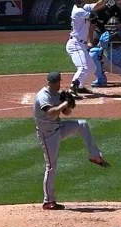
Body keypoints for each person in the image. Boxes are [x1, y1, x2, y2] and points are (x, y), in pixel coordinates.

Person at [33, 71, 110, 211]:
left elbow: (66, 113)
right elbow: (51, 112)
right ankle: (48, 201)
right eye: (59, 82)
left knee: (82, 125)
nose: (60, 85)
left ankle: (94, 155)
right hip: (47, 135)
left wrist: (68, 103)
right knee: (51, 166)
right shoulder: (43, 96)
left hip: (58, 128)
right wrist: (65, 103)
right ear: (54, 82)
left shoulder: (57, 94)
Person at [67, 0, 108, 96]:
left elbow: (96, 5)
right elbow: (94, 16)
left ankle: (79, 87)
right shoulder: (78, 11)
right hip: (75, 44)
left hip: (81, 44)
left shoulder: (83, 7)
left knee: (92, 67)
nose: (83, 0)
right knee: (83, 67)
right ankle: (72, 89)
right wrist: (109, 5)